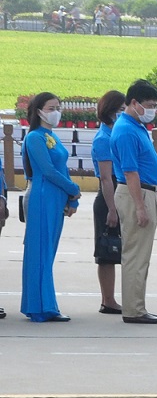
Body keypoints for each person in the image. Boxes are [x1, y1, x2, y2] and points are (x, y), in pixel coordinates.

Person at [20, 91, 79, 322]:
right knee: (39, 253)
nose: (56, 112)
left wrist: (72, 198)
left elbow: (62, 168)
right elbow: (47, 171)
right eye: (51, 108)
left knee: (48, 253)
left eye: (58, 108)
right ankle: (40, 307)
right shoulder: (35, 138)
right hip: (42, 197)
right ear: (39, 112)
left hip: (56, 198)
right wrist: (73, 188)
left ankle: (44, 304)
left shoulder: (51, 136)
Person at [112, 78, 157, 324]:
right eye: (150, 105)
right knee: (136, 255)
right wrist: (140, 207)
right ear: (134, 103)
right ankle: (134, 310)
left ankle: (137, 306)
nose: (153, 110)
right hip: (138, 194)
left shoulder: (135, 126)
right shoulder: (126, 130)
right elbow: (130, 171)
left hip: (144, 192)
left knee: (140, 255)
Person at [89, 89, 125, 315]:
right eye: (120, 110)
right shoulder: (104, 139)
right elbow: (105, 178)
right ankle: (108, 299)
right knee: (107, 250)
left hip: (119, 194)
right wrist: (113, 209)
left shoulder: (117, 134)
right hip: (109, 198)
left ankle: (111, 299)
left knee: (117, 248)